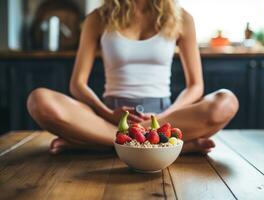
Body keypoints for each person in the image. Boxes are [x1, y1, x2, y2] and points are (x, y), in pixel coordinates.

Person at [27, 0, 239, 155]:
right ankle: (166, 146)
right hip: (108, 119)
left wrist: (166, 116)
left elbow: (195, 86)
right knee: (39, 100)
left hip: (166, 118)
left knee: (226, 102)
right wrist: (109, 114)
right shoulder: (98, 17)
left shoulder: (182, 18)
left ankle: (93, 143)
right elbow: (77, 84)